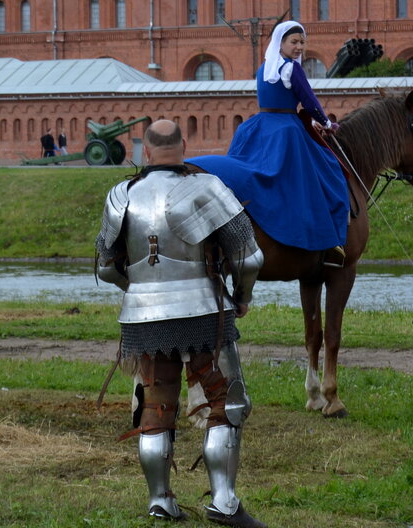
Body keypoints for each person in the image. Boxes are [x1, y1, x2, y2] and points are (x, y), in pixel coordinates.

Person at [96, 119, 265, 527]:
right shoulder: (207, 188)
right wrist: (240, 298)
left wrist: (142, 294)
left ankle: (160, 501)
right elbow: (249, 259)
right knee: (227, 405)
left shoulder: (122, 195)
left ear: (146, 151)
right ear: (184, 146)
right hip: (206, 310)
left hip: (144, 317)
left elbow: (106, 268)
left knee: (155, 407)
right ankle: (223, 501)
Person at [190, 20, 348, 267]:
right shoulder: (292, 69)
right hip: (286, 131)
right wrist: (328, 125)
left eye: (302, 42)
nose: (298, 47)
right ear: (281, 43)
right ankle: (328, 241)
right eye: (293, 42)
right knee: (327, 169)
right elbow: (309, 101)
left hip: (258, 128)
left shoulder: (265, 67)